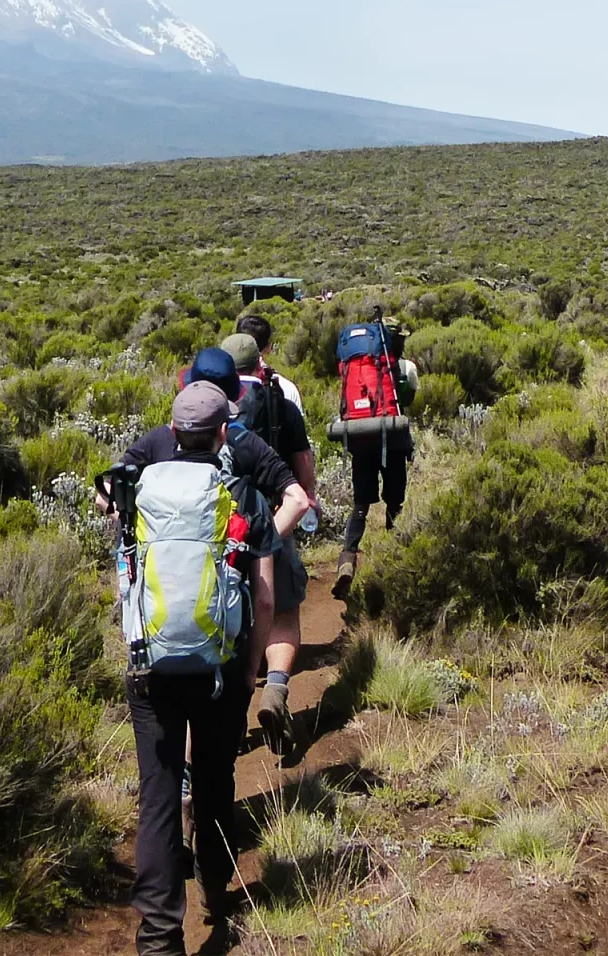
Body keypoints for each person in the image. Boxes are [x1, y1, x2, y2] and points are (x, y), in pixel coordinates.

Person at [101, 380, 313, 955]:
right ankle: (216, 887)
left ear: (173, 431)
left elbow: (127, 574)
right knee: (217, 778)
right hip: (220, 664)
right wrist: (251, 670)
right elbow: (266, 599)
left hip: (151, 668)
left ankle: (160, 937)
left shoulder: (141, 489)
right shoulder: (238, 492)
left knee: (160, 793)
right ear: (224, 432)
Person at [193, 342, 312, 757]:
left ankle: (223, 726)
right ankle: (275, 688)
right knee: (281, 612)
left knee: (216, 621)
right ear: (255, 365)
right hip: (270, 522)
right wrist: (272, 536)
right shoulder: (280, 398)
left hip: (207, 539)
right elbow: (302, 470)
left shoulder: (189, 418)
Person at [334, 318, 419, 599]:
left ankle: (347, 560)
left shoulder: (353, 365)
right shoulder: (404, 367)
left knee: (360, 505)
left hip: (360, 437)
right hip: (392, 438)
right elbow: (409, 398)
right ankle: (394, 560)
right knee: (394, 502)